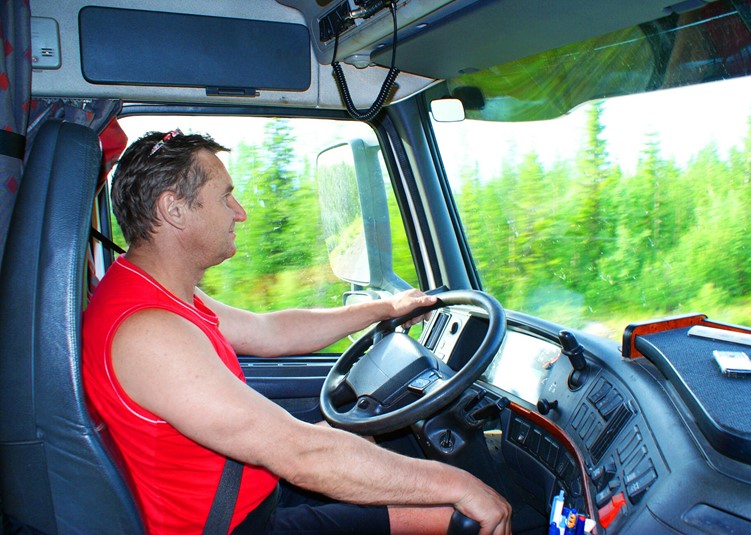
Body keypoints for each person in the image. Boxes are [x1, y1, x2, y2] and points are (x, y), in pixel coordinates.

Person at [82, 129, 512, 535]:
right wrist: (460, 485)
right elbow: (299, 452)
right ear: (174, 209)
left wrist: (385, 309)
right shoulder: (148, 331)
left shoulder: (151, 289)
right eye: (225, 197)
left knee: (368, 441)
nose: (240, 212)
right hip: (235, 524)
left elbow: (268, 332)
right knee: (463, 518)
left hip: (247, 489)